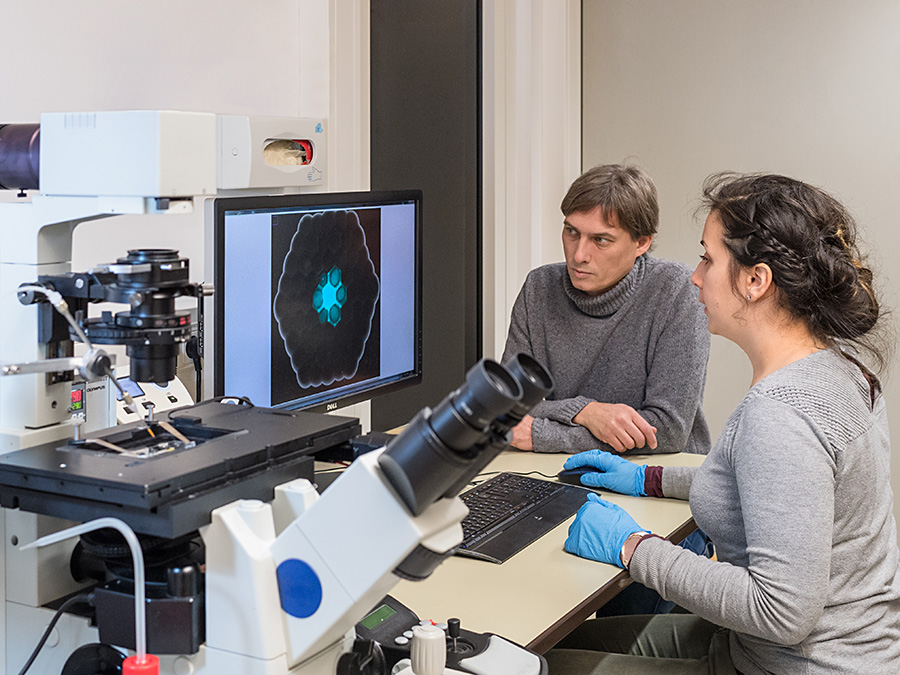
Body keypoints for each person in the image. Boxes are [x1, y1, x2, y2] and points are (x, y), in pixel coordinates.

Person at [548, 173, 900, 674]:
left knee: (546, 665)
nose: (695, 276)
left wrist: (632, 547)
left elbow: (780, 612)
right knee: (571, 643)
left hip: (800, 663)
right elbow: (775, 493)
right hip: (770, 649)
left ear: (756, 280)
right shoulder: (839, 369)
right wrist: (649, 478)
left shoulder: (782, 414)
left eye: (708, 259)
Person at [501, 163, 710, 455]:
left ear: (642, 242)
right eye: (572, 232)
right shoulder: (539, 287)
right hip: (561, 469)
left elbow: (667, 430)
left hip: (657, 472)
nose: (579, 255)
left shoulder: (676, 290)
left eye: (600, 240)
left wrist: (542, 435)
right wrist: (585, 412)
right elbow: (507, 403)